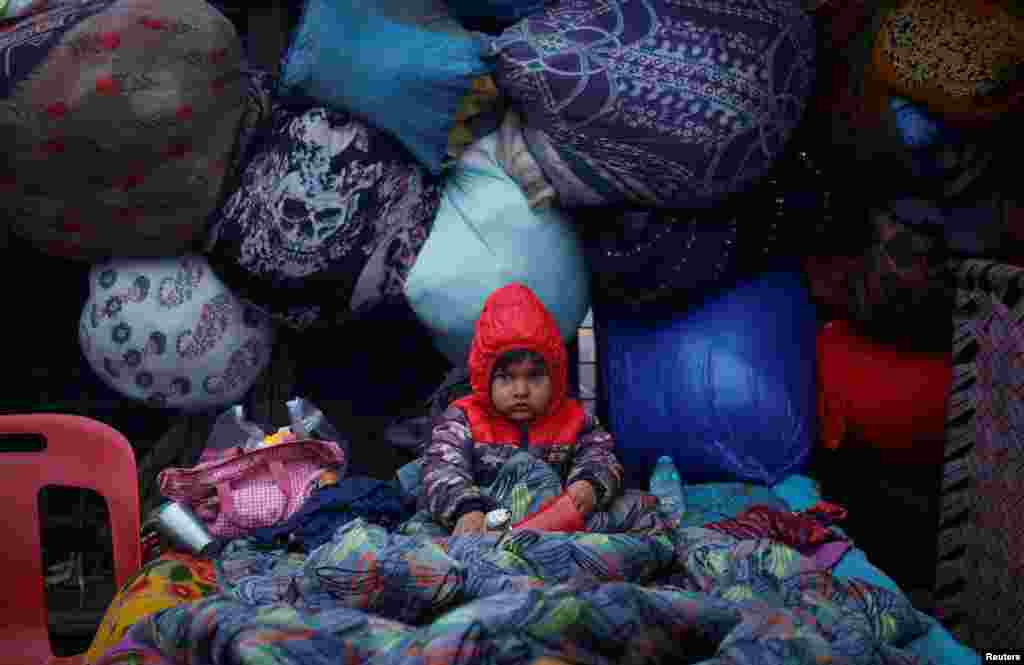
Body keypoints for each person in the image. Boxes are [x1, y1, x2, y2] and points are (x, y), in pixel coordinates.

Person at [397, 282, 663, 537]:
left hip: (553, 523)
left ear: (555, 377)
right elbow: (441, 467)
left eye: (534, 377)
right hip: (483, 524)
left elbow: (600, 455)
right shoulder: (463, 418)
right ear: (483, 378)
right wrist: (465, 510)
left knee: (637, 509)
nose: (521, 390)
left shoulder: (575, 419)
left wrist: (588, 485)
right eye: (506, 378)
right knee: (420, 533)